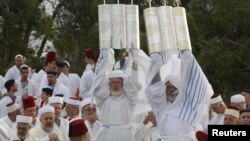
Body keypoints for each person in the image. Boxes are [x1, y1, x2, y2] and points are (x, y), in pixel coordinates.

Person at [146, 50, 213, 141]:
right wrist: (156, 60)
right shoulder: (161, 106)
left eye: (174, 87)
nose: (171, 90)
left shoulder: (189, 104)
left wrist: (186, 55)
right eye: (168, 88)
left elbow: (196, 85)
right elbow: (155, 90)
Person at [92, 48, 142, 141]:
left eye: (118, 82)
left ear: (123, 84)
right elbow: (99, 84)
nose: (115, 85)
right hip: (107, 136)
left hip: (125, 136)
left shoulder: (130, 99)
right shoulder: (103, 100)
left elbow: (134, 86)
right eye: (113, 82)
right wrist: (106, 58)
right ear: (109, 84)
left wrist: (134, 67)